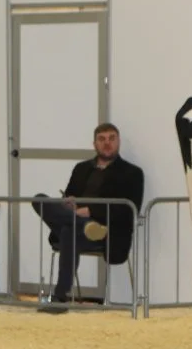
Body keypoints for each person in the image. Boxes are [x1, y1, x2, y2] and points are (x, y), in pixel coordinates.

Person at [31, 123, 144, 307]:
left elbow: (129, 210)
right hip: (82, 226)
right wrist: (69, 203)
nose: (107, 143)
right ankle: (84, 225)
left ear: (119, 141)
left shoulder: (132, 173)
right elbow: (68, 196)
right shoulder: (81, 168)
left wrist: (91, 211)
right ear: (94, 144)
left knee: (68, 230)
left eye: (111, 138)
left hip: (107, 232)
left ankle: (60, 297)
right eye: (102, 139)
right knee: (39, 199)